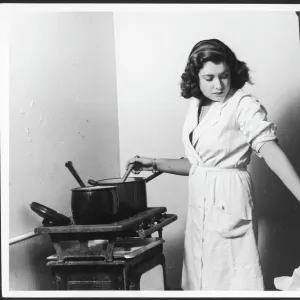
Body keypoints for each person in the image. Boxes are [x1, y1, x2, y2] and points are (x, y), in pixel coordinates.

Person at [125, 39, 300, 291]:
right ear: (195, 77)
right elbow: (201, 166)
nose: (218, 85)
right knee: (200, 282)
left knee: (234, 283)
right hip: (200, 210)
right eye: (209, 78)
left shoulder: (243, 105)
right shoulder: (197, 105)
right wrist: (154, 162)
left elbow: (270, 151)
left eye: (224, 76)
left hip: (230, 204)